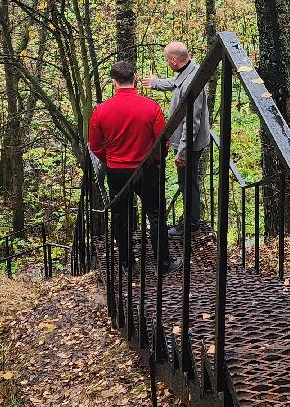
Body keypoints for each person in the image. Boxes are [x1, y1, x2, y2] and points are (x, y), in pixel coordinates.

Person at [89, 60, 175, 274]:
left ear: (113, 82)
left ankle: (128, 263)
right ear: (134, 79)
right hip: (146, 169)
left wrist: (109, 161)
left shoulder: (101, 111)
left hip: (117, 171)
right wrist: (156, 160)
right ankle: (163, 264)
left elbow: (95, 146)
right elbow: (162, 141)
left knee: (121, 216)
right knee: (155, 214)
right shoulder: (151, 107)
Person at [146, 41, 211, 243]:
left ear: (174, 60)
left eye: (167, 60)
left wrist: (182, 151)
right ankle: (190, 220)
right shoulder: (191, 69)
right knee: (188, 182)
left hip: (189, 144)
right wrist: (156, 83)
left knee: (187, 183)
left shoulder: (194, 85)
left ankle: (191, 225)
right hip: (188, 142)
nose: (167, 63)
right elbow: (176, 83)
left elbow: (191, 122)